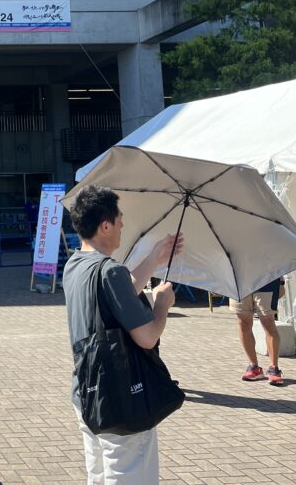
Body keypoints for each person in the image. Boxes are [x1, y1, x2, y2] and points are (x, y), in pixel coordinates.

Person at [62, 185, 184, 485]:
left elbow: (118, 294)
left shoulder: (74, 265)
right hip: (122, 397)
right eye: (119, 220)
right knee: (128, 475)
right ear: (105, 226)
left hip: (88, 393)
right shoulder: (110, 271)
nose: (122, 226)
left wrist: (154, 259)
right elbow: (147, 337)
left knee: (99, 475)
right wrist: (161, 306)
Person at [232, 277, 286, 386]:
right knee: (243, 324)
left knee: (268, 323)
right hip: (239, 284)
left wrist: (281, 282)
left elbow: (279, 260)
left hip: (266, 282)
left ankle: (274, 368)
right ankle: (254, 367)